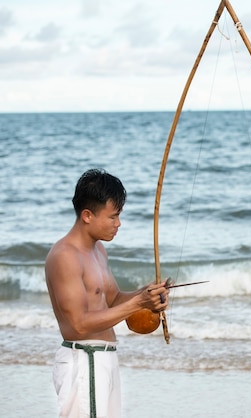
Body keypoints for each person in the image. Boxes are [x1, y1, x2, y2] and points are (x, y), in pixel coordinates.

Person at [45, 168, 169, 418]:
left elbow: (112, 299)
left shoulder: (98, 250)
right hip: (84, 360)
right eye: (113, 216)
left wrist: (148, 295)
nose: (119, 223)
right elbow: (79, 325)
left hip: (103, 360)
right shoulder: (65, 256)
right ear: (87, 215)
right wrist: (138, 303)